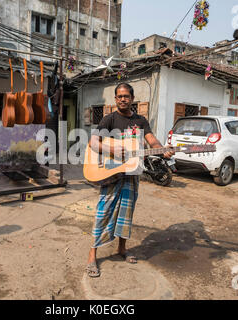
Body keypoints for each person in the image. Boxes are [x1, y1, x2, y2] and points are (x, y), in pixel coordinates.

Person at [86, 83, 175, 277]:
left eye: (126, 96)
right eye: (119, 96)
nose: (122, 99)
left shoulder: (140, 121)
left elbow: (152, 141)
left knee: (126, 213)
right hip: (110, 174)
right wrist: (110, 150)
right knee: (103, 211)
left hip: (132, 175)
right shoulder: (109, 120)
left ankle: (122, 249)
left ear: (132, 98)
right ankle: (92, 254)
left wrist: (163, 149)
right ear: (115, 99)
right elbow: (93, 143)